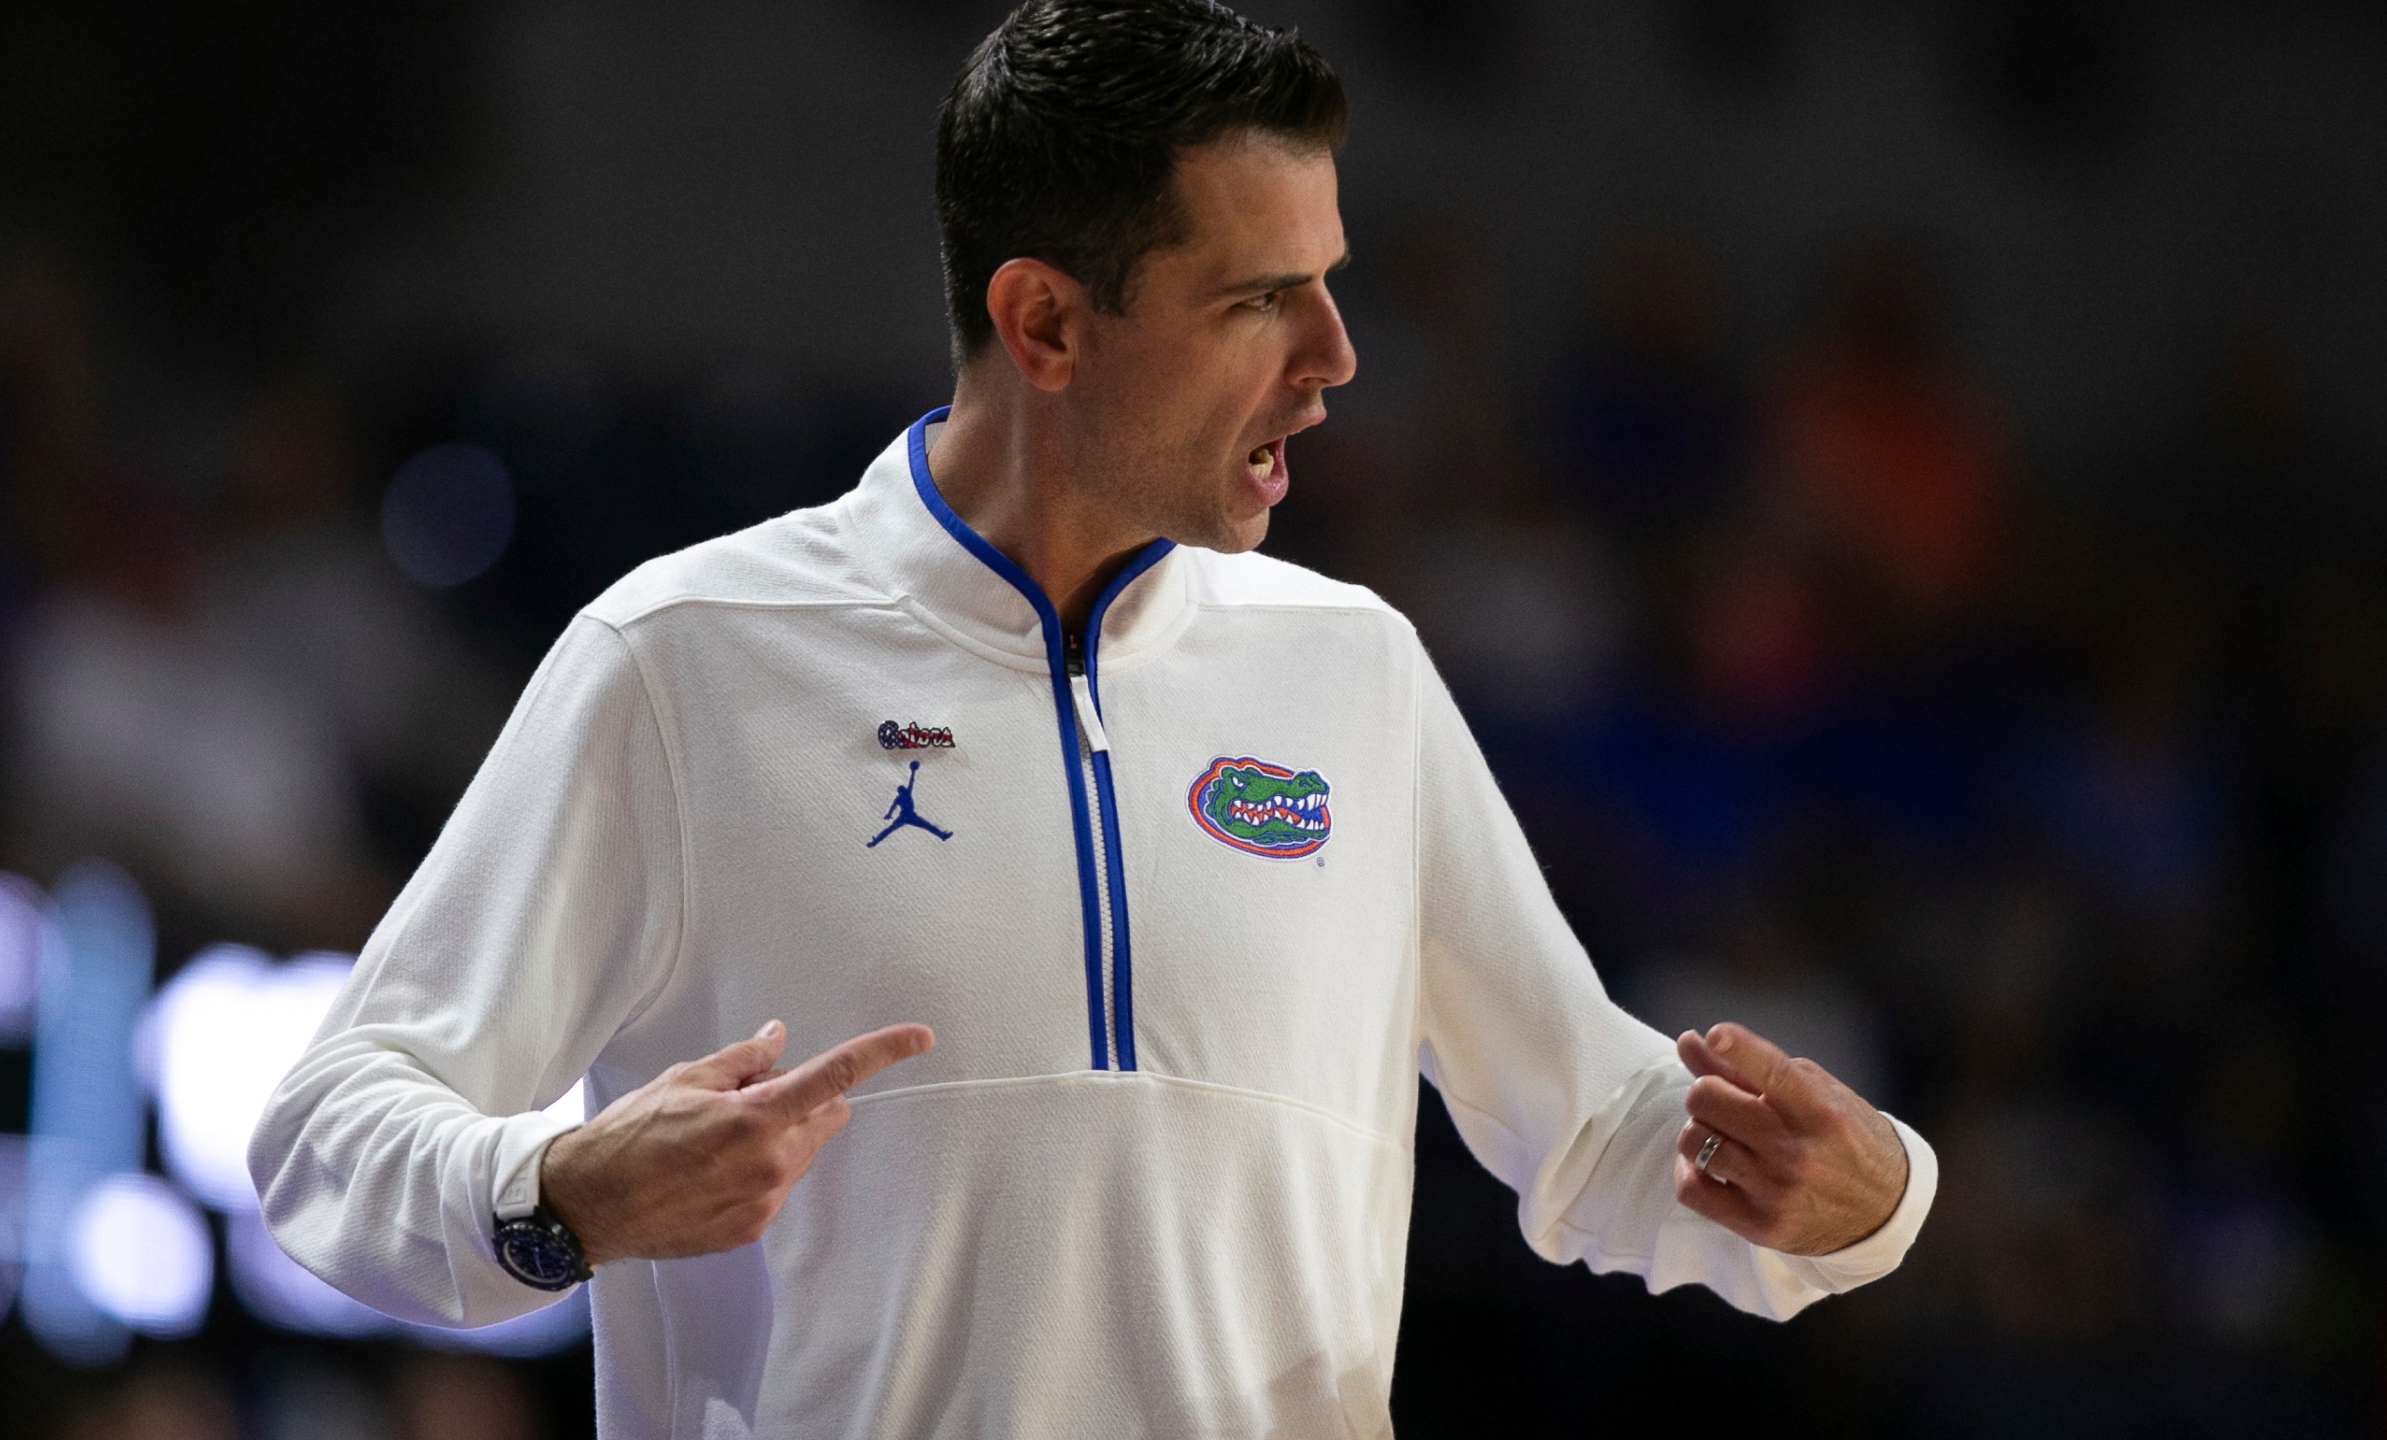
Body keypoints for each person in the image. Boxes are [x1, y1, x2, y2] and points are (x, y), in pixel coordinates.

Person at [250, 3, 1939, 1436]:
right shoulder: (687, 656)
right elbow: (328, 1132)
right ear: (1046, 321)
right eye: (1260, 299)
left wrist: (1861, 1206)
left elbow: (1600, 1128)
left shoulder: (1354, 670)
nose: (1338, 357)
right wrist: (557, 1201)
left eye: (1330, 285)